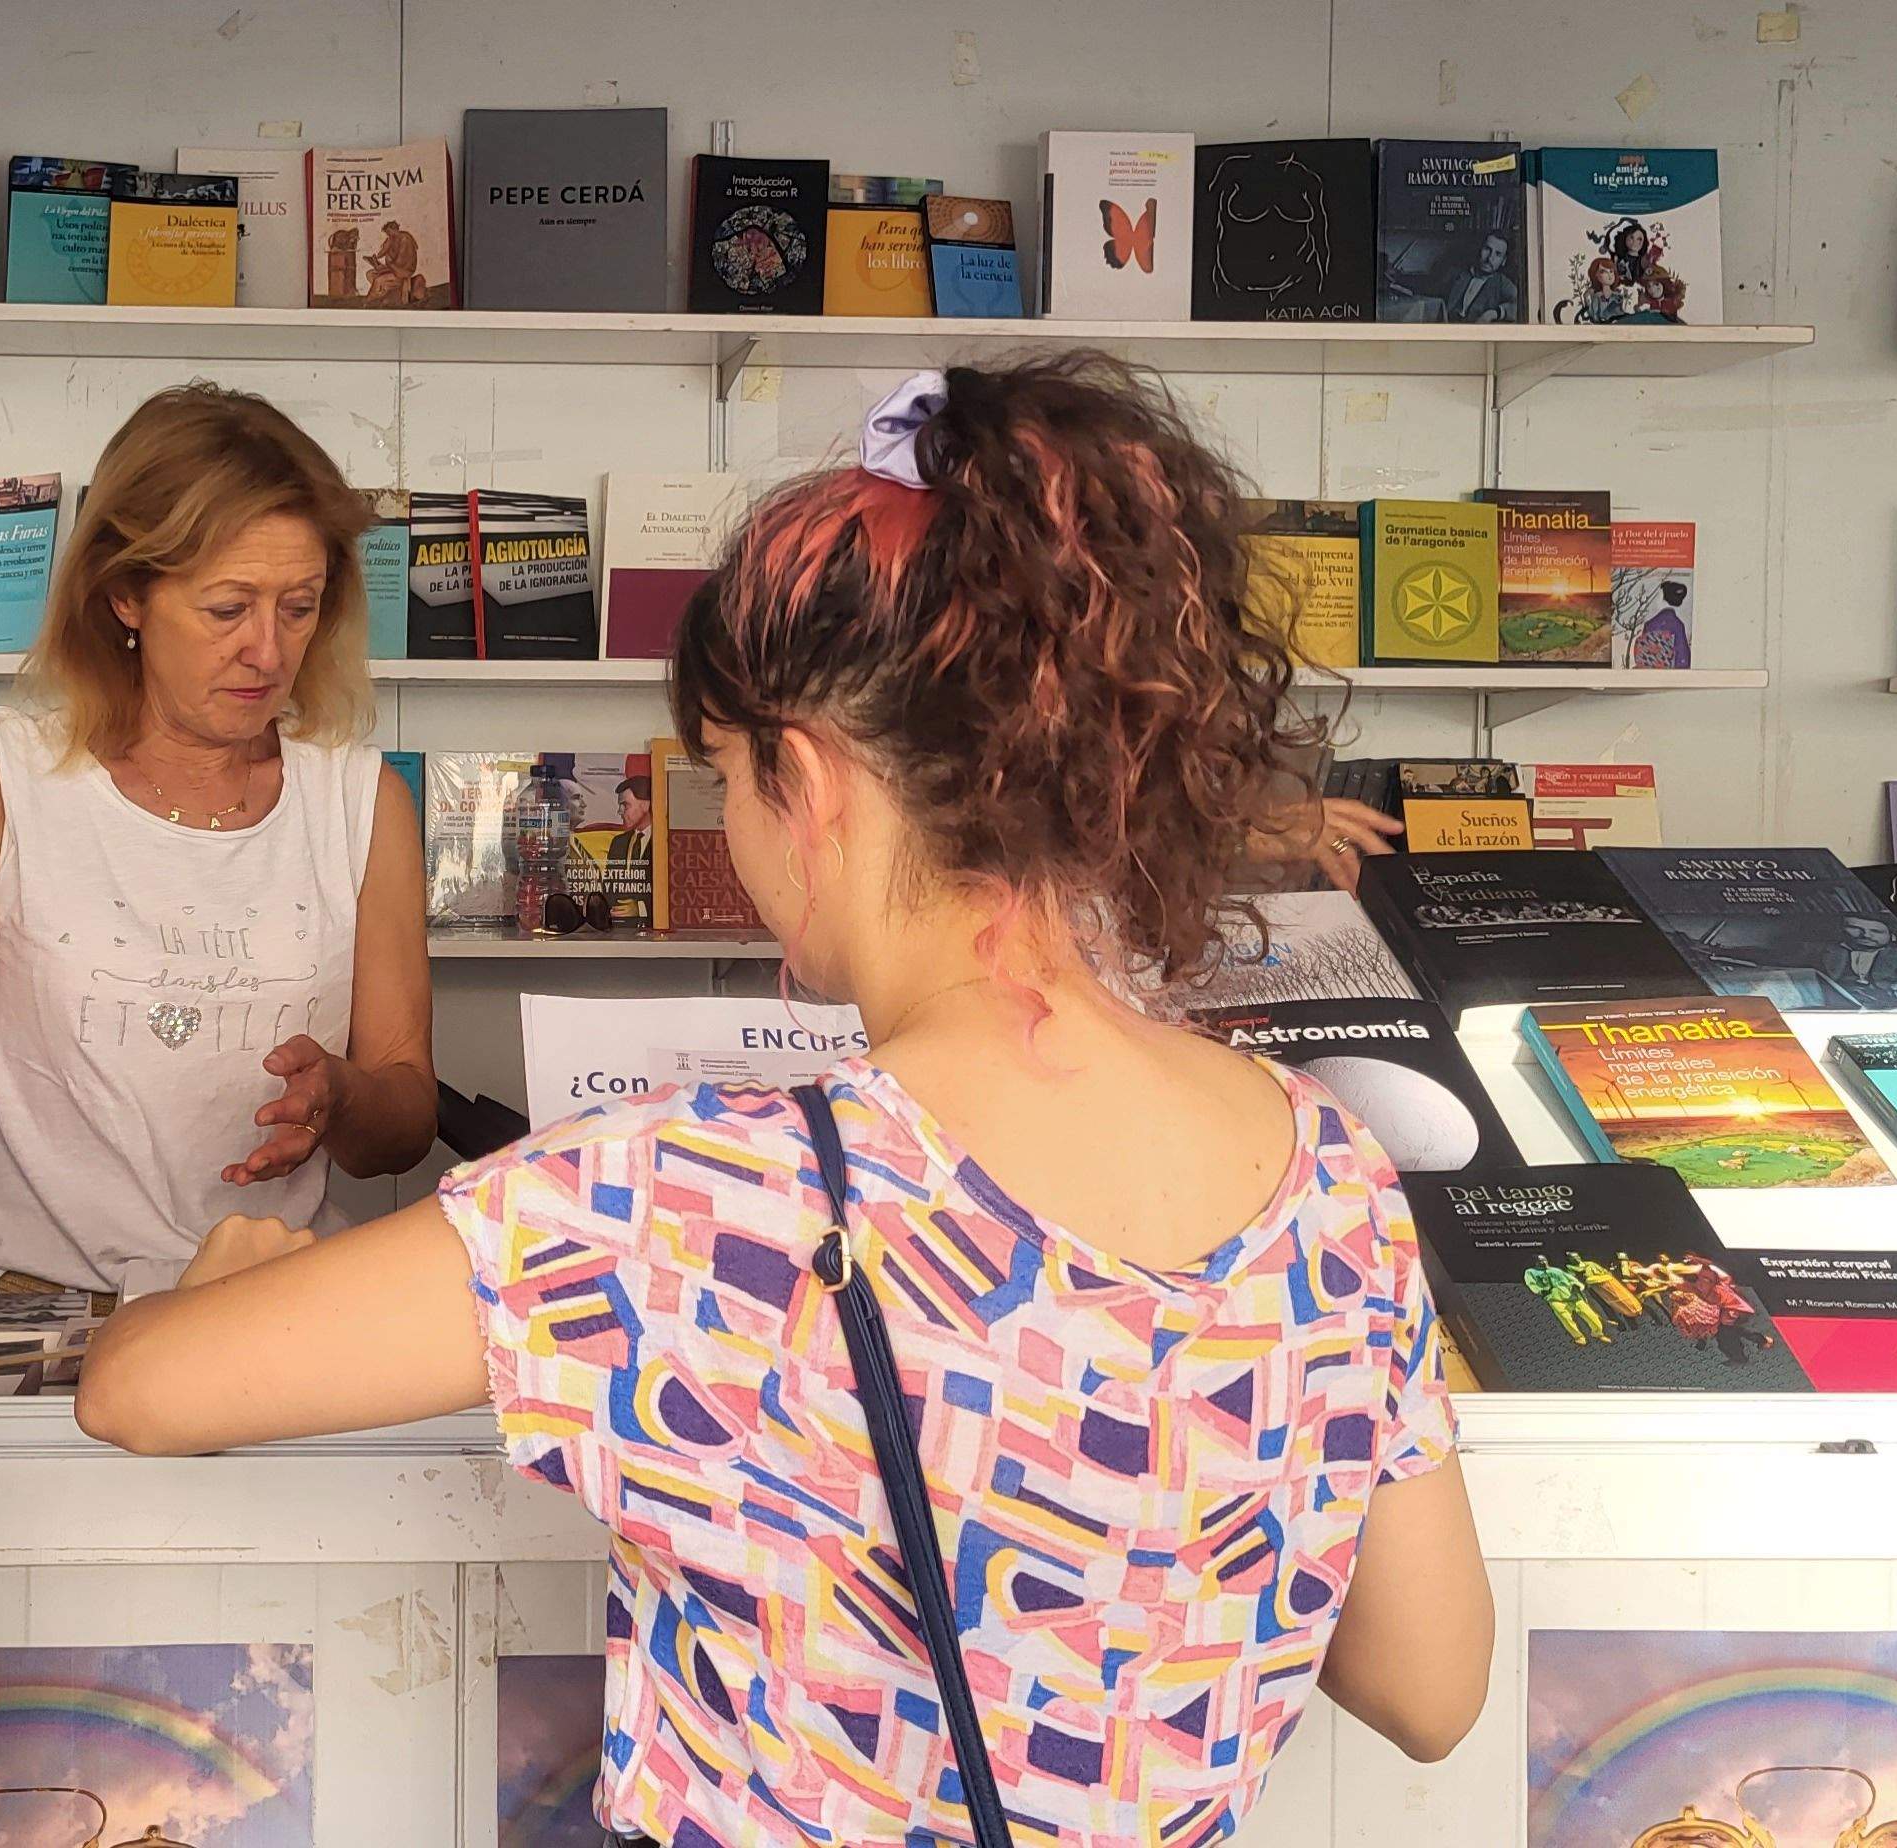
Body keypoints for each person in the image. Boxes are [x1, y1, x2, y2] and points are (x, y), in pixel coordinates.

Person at [76, 359, 1495, 1844]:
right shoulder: (1330, 1175)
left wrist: (223, 1275)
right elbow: (1429, 1683)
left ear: (804, 780)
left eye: (724, 780)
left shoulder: (699, 1199)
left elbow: (140, 1387)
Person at [0, 384, 438, 1298]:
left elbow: (404, 1117)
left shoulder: (363, 803)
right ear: (125, 594)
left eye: (300, 607)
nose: (270, 654)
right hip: (25, 1293)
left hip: (272, 1298)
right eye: (227, 609)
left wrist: (344, 1099)